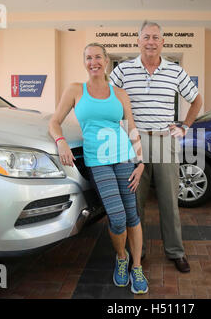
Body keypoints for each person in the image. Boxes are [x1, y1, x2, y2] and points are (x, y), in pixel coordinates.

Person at [49, 42, 148, 294]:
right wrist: (61, 142)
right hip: (98, 161)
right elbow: (54, 122)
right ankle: (121, 258)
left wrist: (141, 161)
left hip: (125, 157)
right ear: (85, 62)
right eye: (88, 58)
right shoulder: (75, 90)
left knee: (132, 215)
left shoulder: (119, 93)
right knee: (117, 218)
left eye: (98, 57)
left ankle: (136, 266)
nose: (93, 62)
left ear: (106, 61)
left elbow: (131, 128)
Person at [110, 21, 203, 273]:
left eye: (155, 37)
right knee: (135, 201)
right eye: (146, 37)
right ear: (137, 41)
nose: (151, 41)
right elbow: (106, 97)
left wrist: (184, 126)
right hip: (133, 142)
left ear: (163, 42)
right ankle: (136, 253)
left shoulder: (175, 71)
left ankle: (175, 251)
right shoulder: (123, 70)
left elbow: (196, 100)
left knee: (169, 202)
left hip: (164, 141)